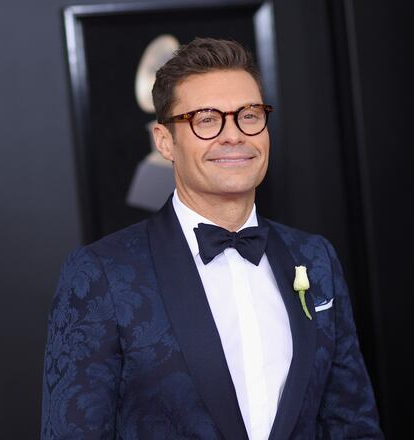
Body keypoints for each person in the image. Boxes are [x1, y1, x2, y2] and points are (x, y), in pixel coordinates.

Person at [40, 38, 382, 439]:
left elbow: (352, 424)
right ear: (165, 141)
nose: (234, 135)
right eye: (206, 119)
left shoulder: (315, 257)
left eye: (249, 115)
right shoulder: (100, 273)